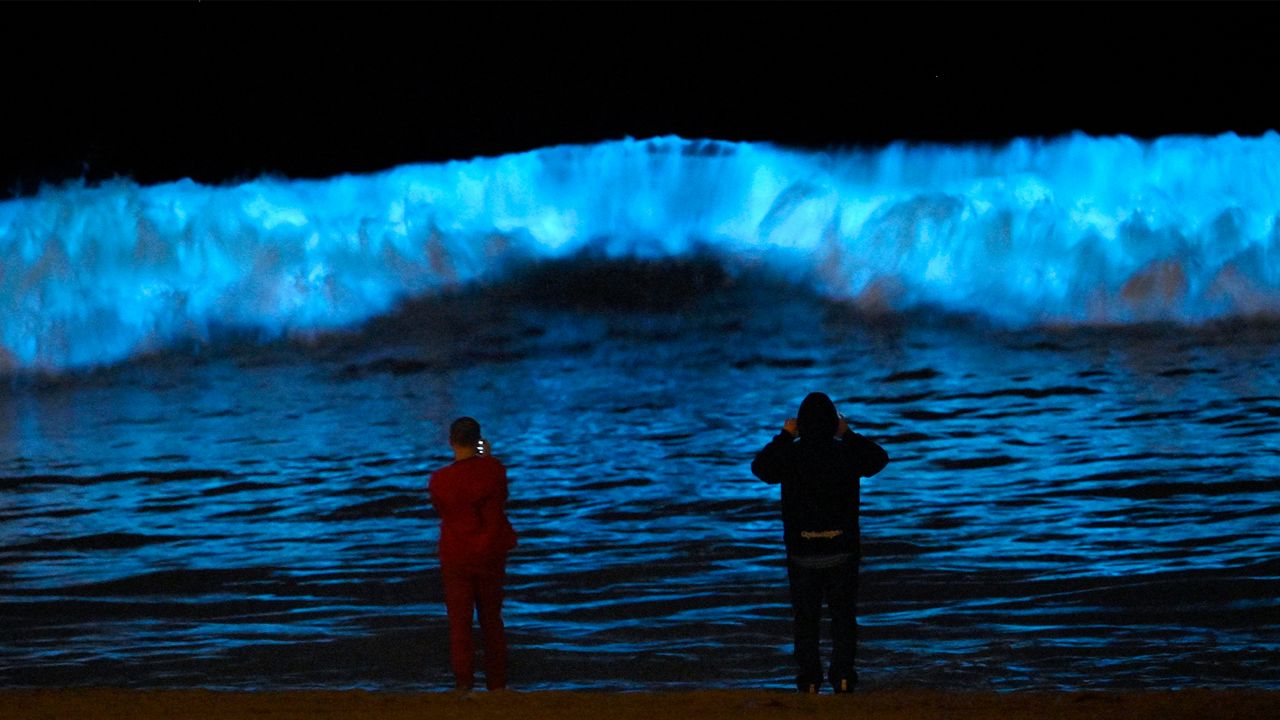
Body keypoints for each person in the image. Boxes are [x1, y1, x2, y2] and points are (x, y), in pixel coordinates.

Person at [751, 392, 889, 695]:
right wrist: (848, 434)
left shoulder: (791, 455)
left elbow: (760, 468)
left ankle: (810, 680)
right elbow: (879, 459)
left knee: (806, 620)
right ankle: (842, 678)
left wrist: (785, 437)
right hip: (842, 550)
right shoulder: (846, 453)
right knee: (843, 618)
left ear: (801, 424)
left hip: (802, 552)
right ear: (832, 423)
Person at [428, 416, 518, 692]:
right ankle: (497, 686)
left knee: (460, 624)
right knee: (492, 621)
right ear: (478, 440)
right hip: (490, 552)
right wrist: (486, 457)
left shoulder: (439, 480)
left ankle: (464, 685)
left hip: (457, 555)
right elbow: (501, 496)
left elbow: (443, 511)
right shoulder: (494, 470)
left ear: (451, 442)